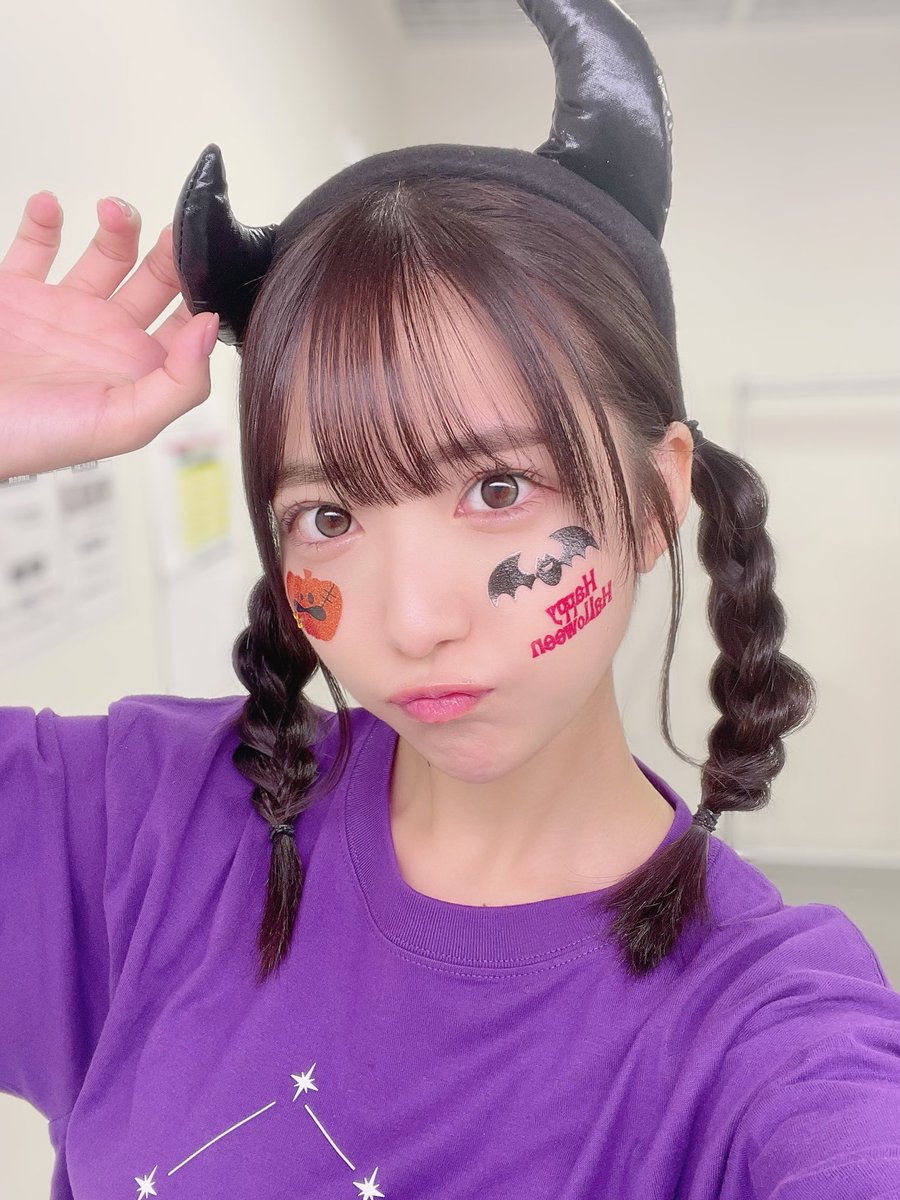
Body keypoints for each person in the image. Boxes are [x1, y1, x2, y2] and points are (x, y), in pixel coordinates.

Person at [1, 2, 898, 1197]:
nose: (413, 622)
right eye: (329, 516)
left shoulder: (768, 1037)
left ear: (655, 498)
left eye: (498, 488)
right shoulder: (143, 828)